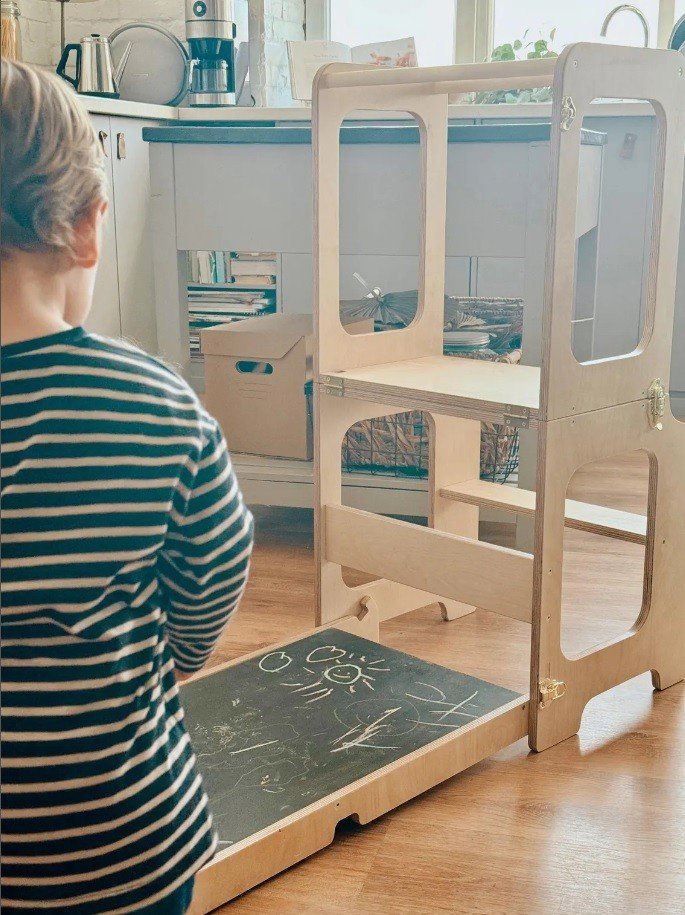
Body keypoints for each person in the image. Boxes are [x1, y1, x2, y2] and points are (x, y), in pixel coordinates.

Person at [0, 59, 254, 914]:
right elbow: (214, 570)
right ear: (87, 225)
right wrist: (172, 658)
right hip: (126, 841)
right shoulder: (155, 407)